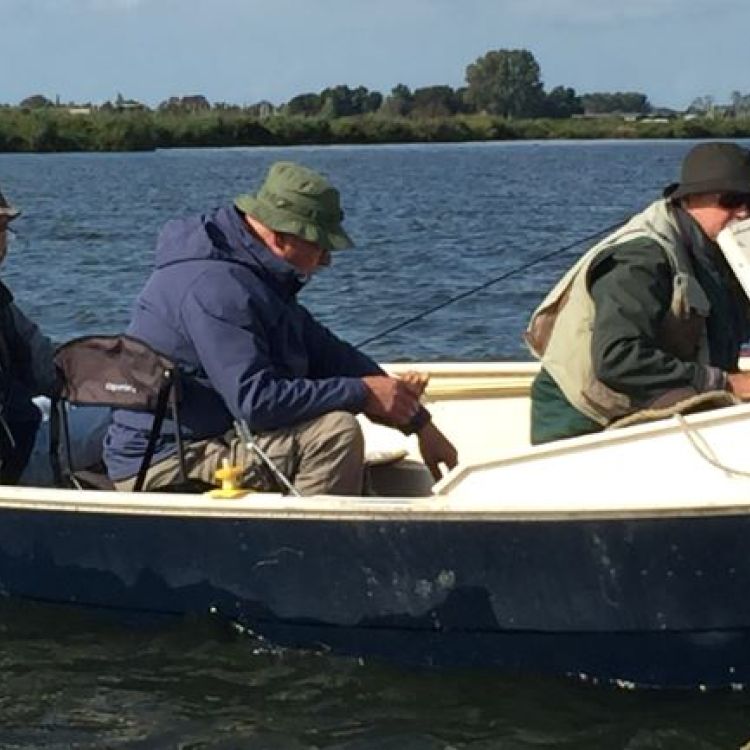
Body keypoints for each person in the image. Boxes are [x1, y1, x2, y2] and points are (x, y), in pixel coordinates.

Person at [104, 161, 458, 494]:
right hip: (167, 462)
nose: (327, 260)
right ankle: (311, 539)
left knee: (334, 413)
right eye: (320, 245)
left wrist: (418, 423)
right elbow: (257, 402)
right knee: (335, 434)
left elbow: (330, 355)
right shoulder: (215, 287)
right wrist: (362, 393)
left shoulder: (255, 274)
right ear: (280, 236)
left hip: (216, 441)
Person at [525, 141, 750, 444]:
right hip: (584, 420)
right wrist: (724, 383)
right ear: (689, 199)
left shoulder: (718, 249)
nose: (743, 212)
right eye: (731, 200)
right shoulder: (641, 258)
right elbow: (618, 358)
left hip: (652, 397)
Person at [0, 186, 56, 483]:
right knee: (115, 425)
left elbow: (44, 368)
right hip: (15, 454)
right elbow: (48, 371)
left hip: (19, 430)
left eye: (4, 230)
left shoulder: (3, 305)